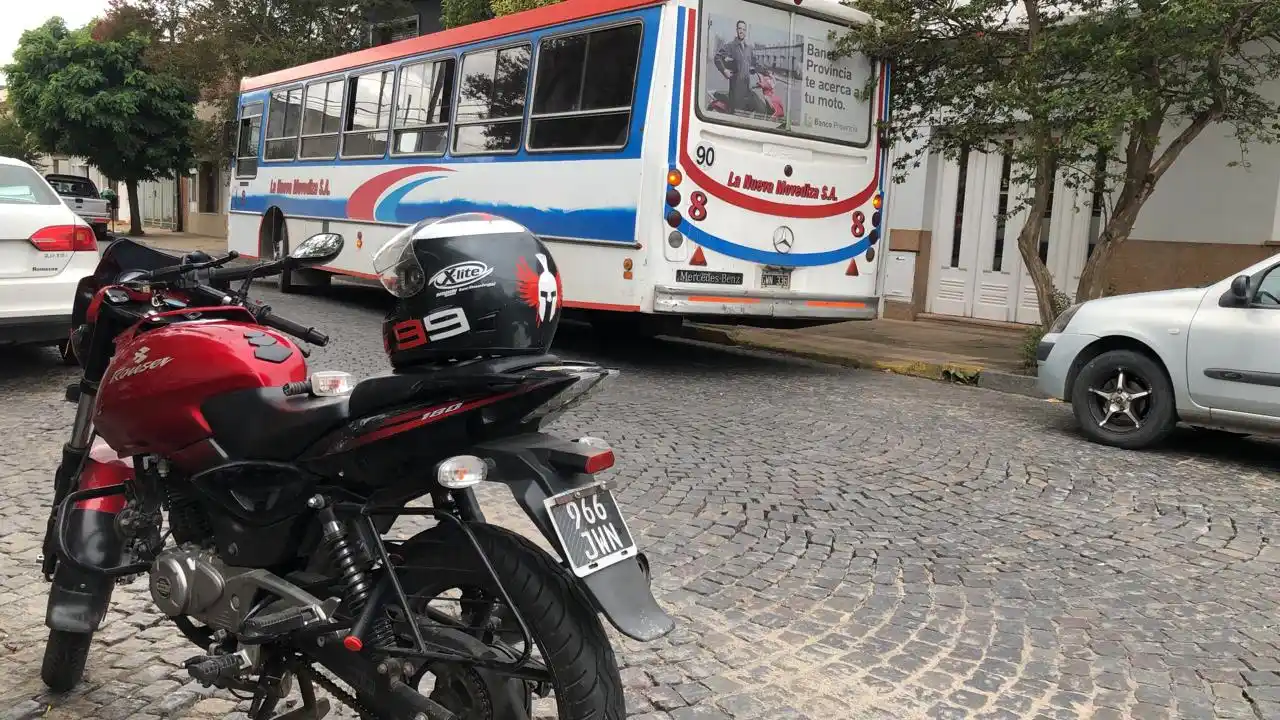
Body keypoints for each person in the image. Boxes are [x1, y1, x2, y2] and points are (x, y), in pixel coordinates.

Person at [714, 20, 758, 115]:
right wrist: (724, 70)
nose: (741, 31)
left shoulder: (749, 48)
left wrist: (765, 73)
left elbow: (755, 63)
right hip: (736, 89)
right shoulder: (731, 46)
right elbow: (717, 57)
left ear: (746, 32)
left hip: (747, 89)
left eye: (744, 29)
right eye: (739, 28)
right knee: (737, 115)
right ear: (736, 30)